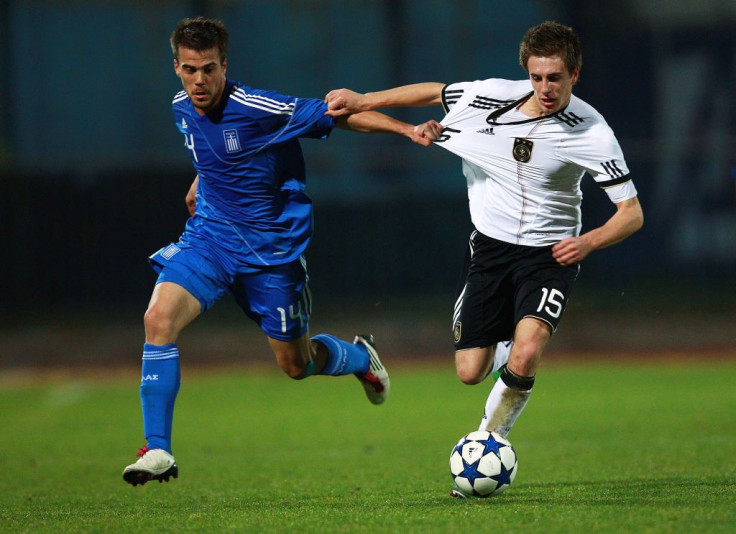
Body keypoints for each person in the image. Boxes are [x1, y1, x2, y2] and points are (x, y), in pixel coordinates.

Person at [325, 21, 644, 496]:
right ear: (527, 72)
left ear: (575, 73)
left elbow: (631, 213)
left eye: (555, 77)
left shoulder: (592, 132)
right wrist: (365, 98)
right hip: (490, 251)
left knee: (529, 349)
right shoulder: (491, 96)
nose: (545, 88)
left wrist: (589, 242)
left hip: (551, 255)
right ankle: (507, 356)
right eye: (537, 77)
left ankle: (489, 438)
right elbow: (435, 92)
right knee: (469, 372)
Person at [122, 16, 436, 486]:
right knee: (157, 318)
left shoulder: (257, 106)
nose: (199, 80)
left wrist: (406, 130)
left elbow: (340, 115)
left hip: (271, 256)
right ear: (176, 67)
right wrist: (200, 181)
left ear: (225, 65)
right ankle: (158, 450)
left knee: (297, 364)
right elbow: (216, 154)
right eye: (190, 69)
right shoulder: (181, 106)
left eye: (209, 69)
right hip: (210, 241)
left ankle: (358, 358)